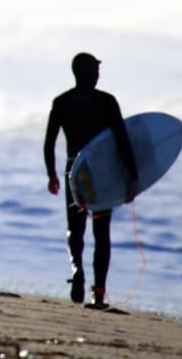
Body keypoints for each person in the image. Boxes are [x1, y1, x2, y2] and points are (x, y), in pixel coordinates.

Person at [43, 52, 138, 309]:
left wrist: (52, 174)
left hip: (75, 172)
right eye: (96, 71)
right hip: (100, 174)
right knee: (101, 231)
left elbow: (49, 142)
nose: (98, 75)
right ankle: (98, 293)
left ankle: (77, 269)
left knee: (75, 227)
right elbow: (122, 141)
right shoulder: (107, 101)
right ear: (92, 73)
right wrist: (132, 176)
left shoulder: (62, 102)